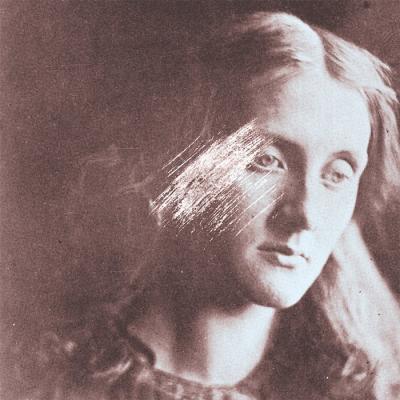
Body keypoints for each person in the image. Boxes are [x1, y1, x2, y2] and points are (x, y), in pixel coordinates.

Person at [6, 11, 400, 400]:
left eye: (337, 174)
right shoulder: (42, 378)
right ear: (186, 162)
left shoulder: (365, 388)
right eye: (266, 160)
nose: (307, 215)